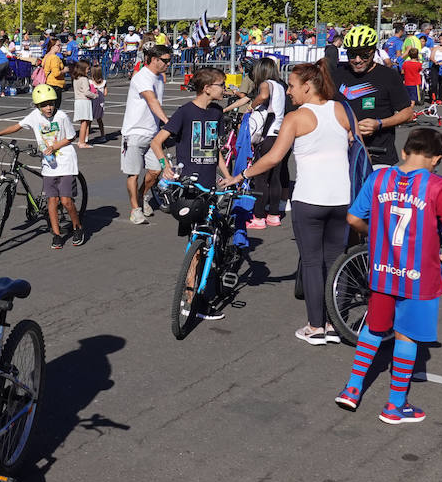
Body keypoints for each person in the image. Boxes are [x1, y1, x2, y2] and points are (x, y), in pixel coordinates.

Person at [335, 128, 442, 423]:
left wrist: (375, 234)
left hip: (383, 269)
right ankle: (395, 405)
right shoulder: (438, 186)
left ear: (404, 152)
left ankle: (352, 389)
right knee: (407, 334)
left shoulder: (379, 179)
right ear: (437, 159)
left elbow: (354, 218)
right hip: (420, 275)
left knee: (374, 326)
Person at [225, 60, 352, 342]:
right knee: (335, 261)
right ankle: (335, 324)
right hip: (342, 198)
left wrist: (242, 174)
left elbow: (273, 157)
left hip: (310, 199)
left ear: (308, 86)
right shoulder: (340, 110)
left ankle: (316, 326)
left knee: (311, 262)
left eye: (293, 86)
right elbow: (354, 145)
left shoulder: (297, 117)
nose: (289, 91)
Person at [0, 83, 84, 249]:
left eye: (51, 103)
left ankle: (77, 227)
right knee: (51, 200)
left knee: (66, 201)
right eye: (44, 105)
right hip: (49, 165)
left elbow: (71, 137)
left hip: (65, 162)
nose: (48, 108)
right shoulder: (34, 116)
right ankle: (57, 234)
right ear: (38, 106)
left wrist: (54, 147)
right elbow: (17, 126)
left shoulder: (61, 116)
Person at [325, 25, 412, 167]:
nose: (357, 60)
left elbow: (407, 113)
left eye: (364, 55)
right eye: (352, 55)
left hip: (378, 155)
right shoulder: (337, 75)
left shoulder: (388, 76)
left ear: (374, 52)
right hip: (342, 154)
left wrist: (379, 124)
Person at [229, 57, 287, 229]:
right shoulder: (280, 86)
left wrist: (251, 107)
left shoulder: (266, 84)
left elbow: (262, 96)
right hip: (280, 134)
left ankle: (259, 216)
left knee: (260, 177)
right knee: (275, 177)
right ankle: (274, 215)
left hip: (268, 136)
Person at [151, 68, 231, 189]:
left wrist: (227, 176)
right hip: (187, 182)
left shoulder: (217, 112)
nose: (224, 88)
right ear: (207, 88)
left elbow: (214, 149)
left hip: (209, 182)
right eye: (221, 85)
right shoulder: (185, 112)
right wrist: (165, 166)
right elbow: (156, 142)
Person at [120, 46, 169, 224]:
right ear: (154, 59)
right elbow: (151, 100)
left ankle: (142, 195)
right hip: (134, 132)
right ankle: (135, 209)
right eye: (165, 60)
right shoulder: (141, 77)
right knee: (133, 173)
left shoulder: (159, 79)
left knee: (155, 170)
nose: (168, 64)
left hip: (152, 132)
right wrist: (167, 121)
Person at [71, 60, 97, 147]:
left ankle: (82, 141)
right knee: (84, 122)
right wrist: (95, 95)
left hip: (78, 101)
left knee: (83, 122)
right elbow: (86, 92)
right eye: (87, 69)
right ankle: (82, 142)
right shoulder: (84, 79)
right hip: (84, 101)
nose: (88, 70)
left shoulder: (76, 78)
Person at [90, 61, 108, 141]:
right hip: (100, 103)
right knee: (99, 120)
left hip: (92, 102)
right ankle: (102, 135)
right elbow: (105, 93)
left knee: (89, 120)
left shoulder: (90, 82)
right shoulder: (104, 82)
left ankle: (86, 136)